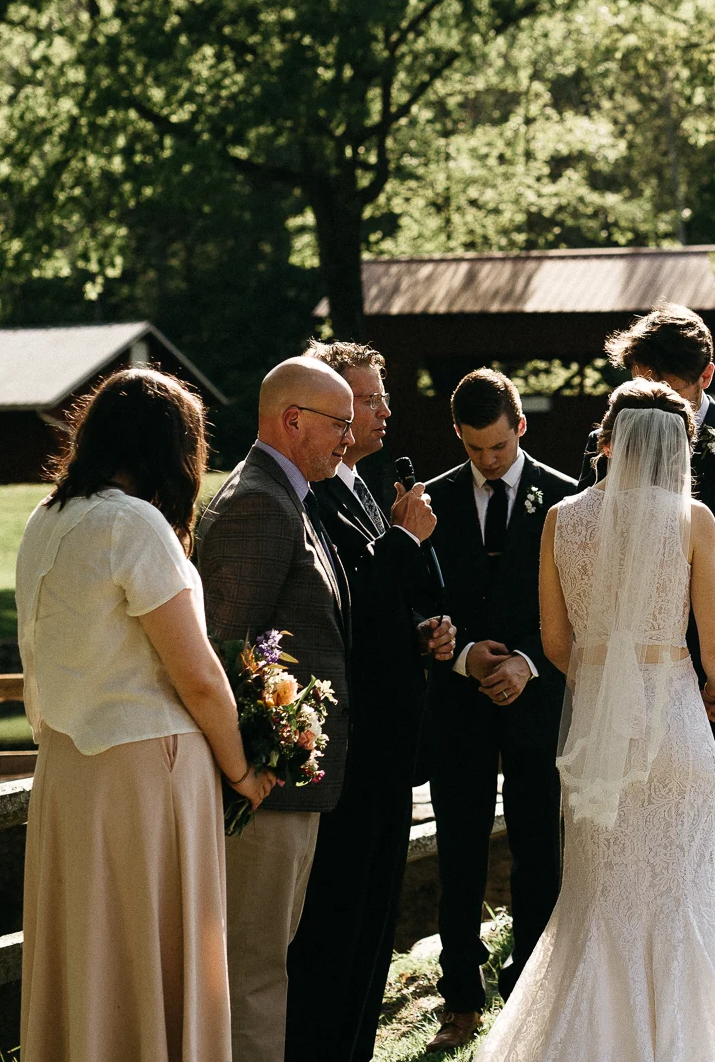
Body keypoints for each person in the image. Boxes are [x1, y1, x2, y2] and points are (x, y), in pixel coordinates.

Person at [474, 379, 715, 1061]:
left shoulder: (562, 518)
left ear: (611, 439)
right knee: (678, 899)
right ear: (678, 445)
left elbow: (558, 644)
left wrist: (607, 680)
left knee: (597, 899)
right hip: (676, 726)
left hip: (599, 735)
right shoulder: (692, 518)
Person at [16, 367, 274, 1062]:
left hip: (69, 766)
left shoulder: (47, 518)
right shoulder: (134, 523)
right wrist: (242, 769)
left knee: (89, 953)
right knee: (152, 949)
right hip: (144, 767)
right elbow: (195, 674)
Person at [582, 304, 715, 1021]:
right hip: (626, 694)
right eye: (643, 379)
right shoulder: (613, 435)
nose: (655, 397)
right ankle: (631, 1012)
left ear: (705, 375)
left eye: (667, 381)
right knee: (622, 857)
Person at [283, 340, 452, 1061]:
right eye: (369, 397)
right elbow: (339, 614)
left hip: (387, 746)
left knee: (374, 932)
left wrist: (424, 631)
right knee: (337, 931)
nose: (383, 409)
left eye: (380, 397)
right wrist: (407, 544)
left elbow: (379, 612)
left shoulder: (362, 484)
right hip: (348, 748)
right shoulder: (311, 493)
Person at [193, 356, 357, 1062]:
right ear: (293, 420)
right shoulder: (258, 502)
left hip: (289, 785)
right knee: (252, 972)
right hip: (262, 790)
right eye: (340, 425)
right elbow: (225, 649)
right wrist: (254, 766)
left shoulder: (293, 495)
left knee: (266, 964)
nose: (348, 440)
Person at [421, 369, 581, 1050]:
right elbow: (419, 602)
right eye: (473, 447)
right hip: (458, 707)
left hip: (537, 701)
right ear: (457, 435)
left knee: (537, 847)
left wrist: (528, 661)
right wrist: (460, 656)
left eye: (497, 445)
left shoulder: (570, 501)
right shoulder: (430, 500)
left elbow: (583, 607)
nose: (487, 460)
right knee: (456, 850)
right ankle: (460, 992)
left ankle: (532, 989)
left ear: (520, 424)